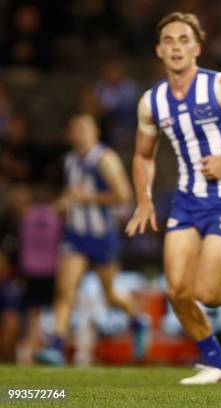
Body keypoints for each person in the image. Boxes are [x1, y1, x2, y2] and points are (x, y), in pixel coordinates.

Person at [125, 12, 221, 385]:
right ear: (159, 50)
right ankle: (217, 364)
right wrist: (144, 200)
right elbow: (143, 156)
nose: (176, 47)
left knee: (208, 293)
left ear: (197, 47)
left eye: (184, 40)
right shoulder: (152, 102)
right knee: (177, 290)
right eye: (169, 41)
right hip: (186, 200)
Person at [37, 114, 149, 365]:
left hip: (101, 236)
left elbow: (123, 196)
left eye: (85, 128)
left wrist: (86, 198)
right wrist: (62, 205)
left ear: (95, 132)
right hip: (75, 235)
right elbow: (72, 195)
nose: (80, 133)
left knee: (110, 294)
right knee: (64, 291)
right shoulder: (70, 160)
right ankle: (56, 347)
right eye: (76, 129)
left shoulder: (105, 159)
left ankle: (138, 321)